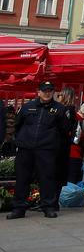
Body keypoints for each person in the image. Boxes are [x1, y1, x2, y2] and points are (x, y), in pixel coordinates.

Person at [9, 82, 68, 218]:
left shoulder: (59, 109)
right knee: (22, 178)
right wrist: (20, 141)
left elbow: (64, 129)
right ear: (38, 92)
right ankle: (19, 208)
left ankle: (48, 206)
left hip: (46, 149)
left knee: (47, 178)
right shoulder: (27, 107)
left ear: (53, 92)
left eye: (50, 91)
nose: (47, 93)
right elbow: (18, 125)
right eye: (44, 91)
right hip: (26, 148)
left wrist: (54, 143)